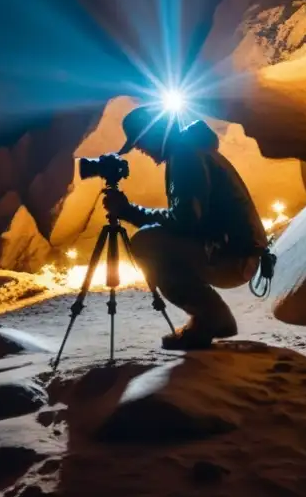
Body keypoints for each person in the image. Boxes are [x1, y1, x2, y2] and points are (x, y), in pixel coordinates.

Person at [102, 105, 269, 350]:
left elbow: (186, 220)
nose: (140, 149)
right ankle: (216, 318)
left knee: (146, 243)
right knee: (154, 239)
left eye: (140, 141)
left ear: (156, 132)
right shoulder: (190, 151)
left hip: (233, 257)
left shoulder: (186, 156)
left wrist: (127, 211)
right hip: (239, 252)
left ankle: (209, 317)